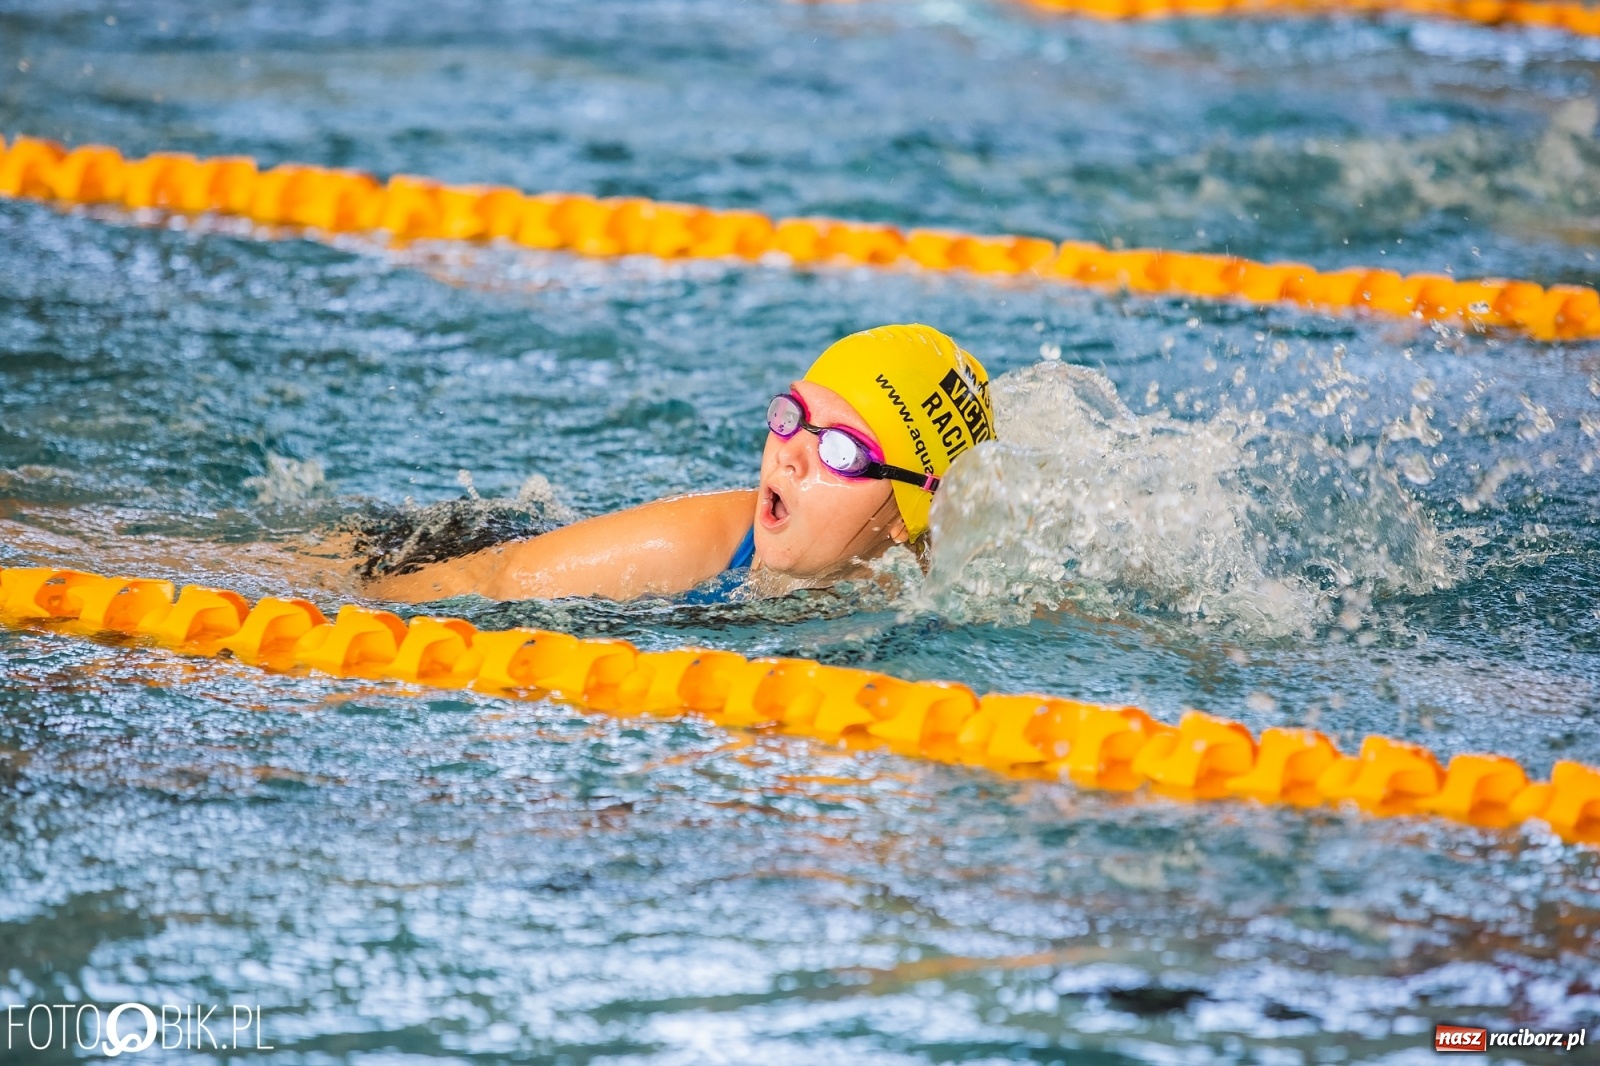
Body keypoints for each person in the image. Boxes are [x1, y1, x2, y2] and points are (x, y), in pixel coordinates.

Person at [370, 323, 995, 603]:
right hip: (443, 553)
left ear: (907, 513)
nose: (791, 455)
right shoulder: (690, 545)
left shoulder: (959, 587)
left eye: (841, 451)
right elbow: (488, 584)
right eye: (793, 415)